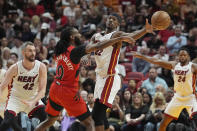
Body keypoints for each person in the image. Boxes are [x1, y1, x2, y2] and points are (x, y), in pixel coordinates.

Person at [34, 26, 136, 131]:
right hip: (68, 91)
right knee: (90, 123)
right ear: (72, 37)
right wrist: (119, 39)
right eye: (77, 34)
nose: (80, 35)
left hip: (55, 89)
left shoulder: (59, 51)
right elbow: (98, 46)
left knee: (49, 121)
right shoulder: (74, 51)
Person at [90, 13, 153, 131]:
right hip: (100, 77)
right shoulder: (97, 36)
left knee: (96, 114)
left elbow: (131, 36)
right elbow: (88, 48)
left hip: (110, 77)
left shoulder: (116, 35)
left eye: (114, 19)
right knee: (100, 114)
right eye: (109, 18)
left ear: (118, 24)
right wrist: (86, 57)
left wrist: (145, 30)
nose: (110, 20)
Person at [131, 48, 197, 131]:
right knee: (164, 123)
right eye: (180, 55)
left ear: (188, 57)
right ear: (178, 56)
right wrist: (142, 56)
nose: (182, 57)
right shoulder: (174, 65)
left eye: (184, 55)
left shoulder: (193, 66)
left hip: (190, 98)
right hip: (177, 98)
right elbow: (156, 61)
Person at [0, 42, 47, 131]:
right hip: (16, 99)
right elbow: (2, 86)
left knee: (47, 118)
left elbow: (43, 91)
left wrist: (33, 101)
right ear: (23, 52)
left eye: (34, 51)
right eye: (30, 51)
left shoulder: (41, 67)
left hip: (33, 98)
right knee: (7, 121)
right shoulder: (14, 68)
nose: (33, 53)